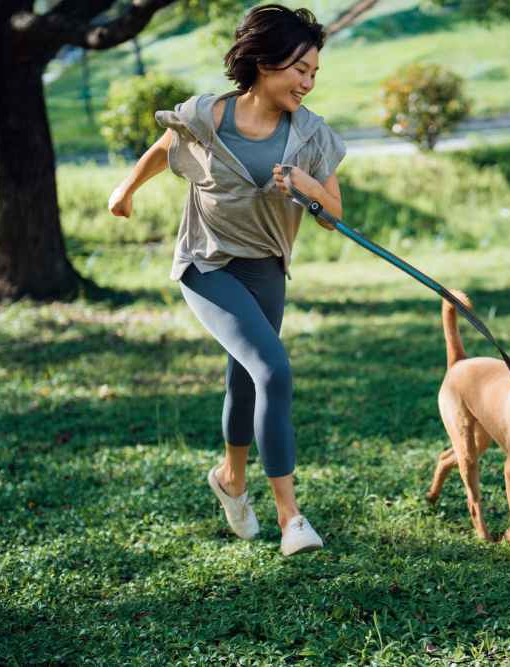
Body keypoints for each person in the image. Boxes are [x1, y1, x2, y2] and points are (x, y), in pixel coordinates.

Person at [107, 4, 346, 556]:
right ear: (264, 62)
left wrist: (306, 185)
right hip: (207, 265)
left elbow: (332, 213)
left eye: (314, 73)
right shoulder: (207, 117)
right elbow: (166, 147)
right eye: (300, 69)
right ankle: (291, 518)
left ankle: (231, 479)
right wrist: (126, 190)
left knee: (246, 378)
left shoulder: (311, 135)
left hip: (267, 268)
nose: (308, 83)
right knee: (273, 370)